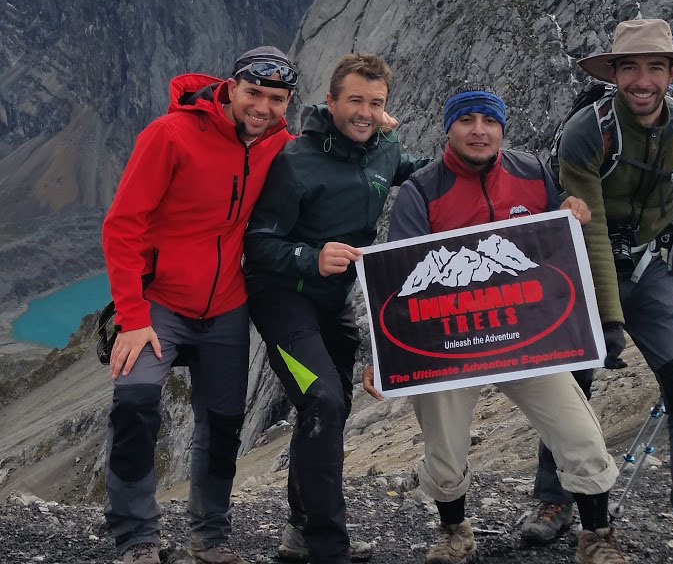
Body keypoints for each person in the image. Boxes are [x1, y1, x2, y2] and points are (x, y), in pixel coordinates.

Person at [366, 88, 627, 564]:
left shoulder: (532, 174)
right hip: (450, 347)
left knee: (581, 437)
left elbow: (558, 250)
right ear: (449, 129)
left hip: (526, 339)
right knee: (444, 451)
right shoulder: (422, 190)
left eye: (489, 121)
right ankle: (454, 532)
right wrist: (383, 355)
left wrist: (571, 212)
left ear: (502, 129)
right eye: (467, 120)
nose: (479, 130)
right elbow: (399, 278)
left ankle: (598, 537)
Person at [524, 18, 673, 564]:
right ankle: (554, 501)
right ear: (614, 73)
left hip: (650, 272)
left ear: (671, 72)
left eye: (654, 67)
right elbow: (589, 226)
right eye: (629, 68)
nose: (641, 80)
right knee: (572, 384)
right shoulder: (586, 131)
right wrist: (609, 316)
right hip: (583, 269)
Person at [101, 47, 298, 564]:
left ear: (288, 103)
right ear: (231, 87)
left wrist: (380, 128)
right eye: (254, 93)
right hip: (159, 302)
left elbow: (337, 149)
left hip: (227, 305)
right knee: (136, 400)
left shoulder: (282, 147)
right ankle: (137, 537)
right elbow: (123, 226)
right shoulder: (169, 135)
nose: (262, 107)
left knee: (224, 419)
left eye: (275, 99)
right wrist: (132, 317)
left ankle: (210, 536)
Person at [243, 52, 428, 564]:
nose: (365, 112)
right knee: (322, 399)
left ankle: (301, 529)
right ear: (330, 101)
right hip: (282, 302)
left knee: (329, 407)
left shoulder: (384, 149)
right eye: (355, 101)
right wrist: (310, 255)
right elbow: (257, 244)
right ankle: (328, 547)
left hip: (334, 306)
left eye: (376, 103)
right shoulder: (295, 161)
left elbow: (418, 175)